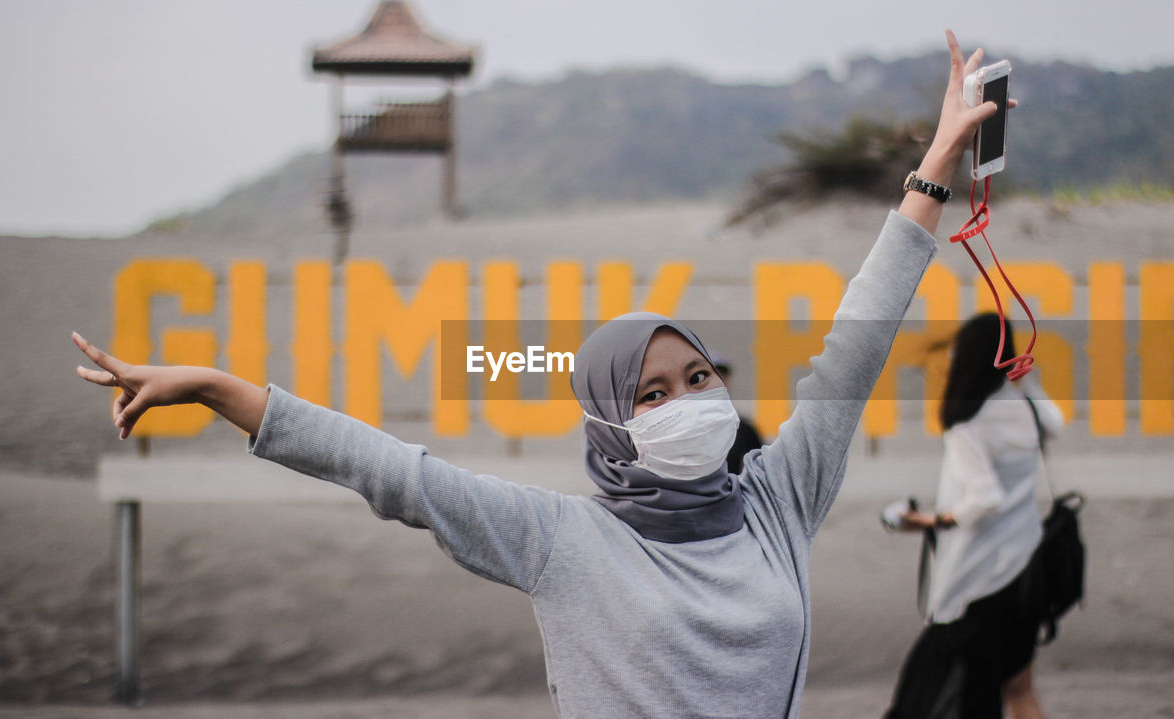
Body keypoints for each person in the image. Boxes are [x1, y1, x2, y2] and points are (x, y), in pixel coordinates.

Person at [74, 31, 1011, 719]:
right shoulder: (564, 541)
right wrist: (211, 384)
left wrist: (933, 167)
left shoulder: (778, 498)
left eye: (696, 378)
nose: (688, 403)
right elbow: (391, 472)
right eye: (650, 394)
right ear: (609, 426)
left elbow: (854, 344)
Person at [884, 313, 1064, 719]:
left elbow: (984, 499)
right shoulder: (1023, 407)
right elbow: (1057, 422)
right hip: (1027, 570)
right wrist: (1028, 382)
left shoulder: (967, 422)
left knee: (945, 694)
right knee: (1019, 690)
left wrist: (931, 521)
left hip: (979, 583)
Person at [710, 353, 765, 475]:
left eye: (722, 377)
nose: (718, 383)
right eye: (712, 377)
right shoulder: (686, 427)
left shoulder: (744, 430)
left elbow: (761, 470)